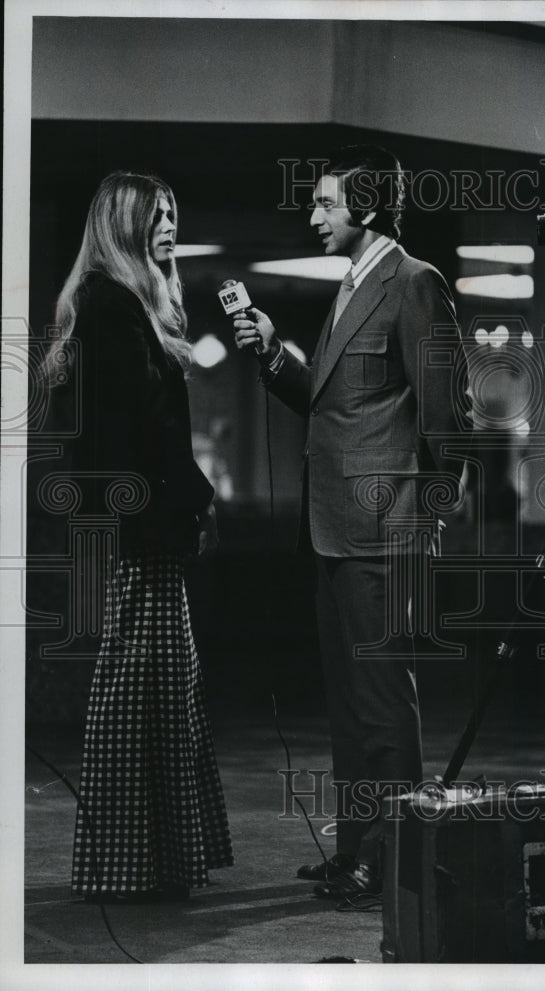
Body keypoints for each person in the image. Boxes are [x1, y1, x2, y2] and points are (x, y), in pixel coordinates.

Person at [234, 145, 470, 904]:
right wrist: (273, 353)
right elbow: (335, 404)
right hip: (335, 527)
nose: (312, 215)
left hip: (386, 531)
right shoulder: (355, 286)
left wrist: (425, 526)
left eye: (325, 203)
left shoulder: (414, 284)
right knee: (348, 707)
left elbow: (447, 420)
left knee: (381, 707)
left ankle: (391, 861)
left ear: (365, 210)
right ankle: (358, 852)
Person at [45, 171, 233, 903]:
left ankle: (151, 859)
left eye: (174, 214)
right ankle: (131, 864)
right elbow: (142, 431)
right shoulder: (111, 305)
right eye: (155, 216)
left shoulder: (120, 305)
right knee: (139, 696)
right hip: (142, 528)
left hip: (144, 524)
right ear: (122, 223)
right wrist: (195, 499)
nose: (168, 226)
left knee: (159, 693)